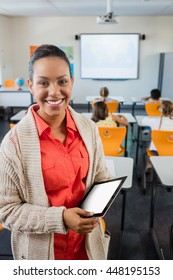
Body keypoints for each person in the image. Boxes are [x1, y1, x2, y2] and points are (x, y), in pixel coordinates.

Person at [0, 44, 112, 260]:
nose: (54, 92)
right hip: (41, 256)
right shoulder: (14, 144)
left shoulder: (88, 128)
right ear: (31, 86)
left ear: (72, 82)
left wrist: (99, 206)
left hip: (86, 249)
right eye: (43, 83)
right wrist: (61, 218)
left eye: (62, 81)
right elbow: (7, 211)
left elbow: (101, 177)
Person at [141, 100, 173, 168]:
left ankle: (149, 164)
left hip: (156, 151)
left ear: (160, 110)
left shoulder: (154, 121)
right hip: (171, 152)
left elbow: (143, 120)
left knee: (151, 143)